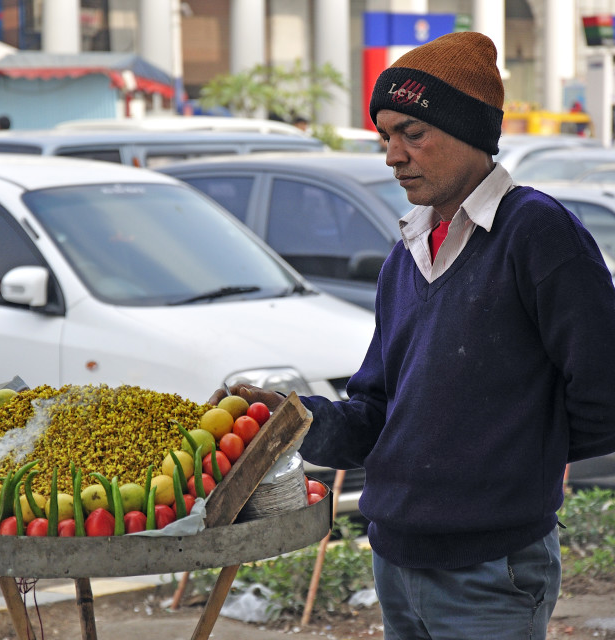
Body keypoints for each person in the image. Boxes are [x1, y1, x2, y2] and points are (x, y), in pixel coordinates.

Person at [209, 31, 615, 639]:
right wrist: (288, 418)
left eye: (412, 133)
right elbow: (376, 415)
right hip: (394, 561)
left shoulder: (535, 232)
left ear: (470, 133)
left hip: (490, 572)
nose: (394, 155)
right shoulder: (406, 258)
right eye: (386, 137)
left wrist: (513, 462)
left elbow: (605, 397)